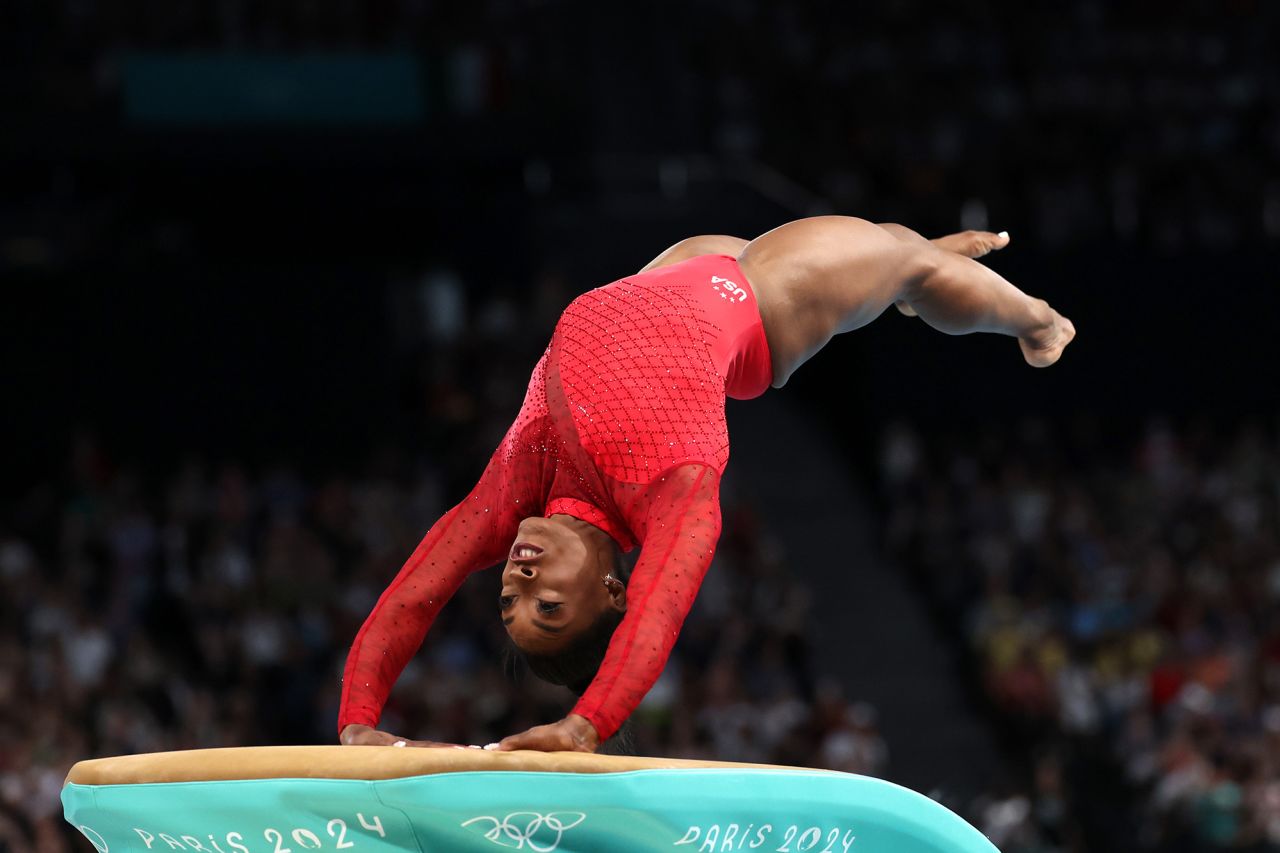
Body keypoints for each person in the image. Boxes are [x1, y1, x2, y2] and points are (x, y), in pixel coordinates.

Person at [337, 216, 1076, 753]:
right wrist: (586, 723)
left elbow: (414, 593)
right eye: (549, 603)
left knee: (885, 251)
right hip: (764, 303)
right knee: (905, 261)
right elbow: (660, 617)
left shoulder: (517, 487)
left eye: (508, 598)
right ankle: (1040, 321)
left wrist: (357, 722)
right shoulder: (673, 491)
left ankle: (895, 263)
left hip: (667, 276)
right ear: (611, 591)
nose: (519, 577)